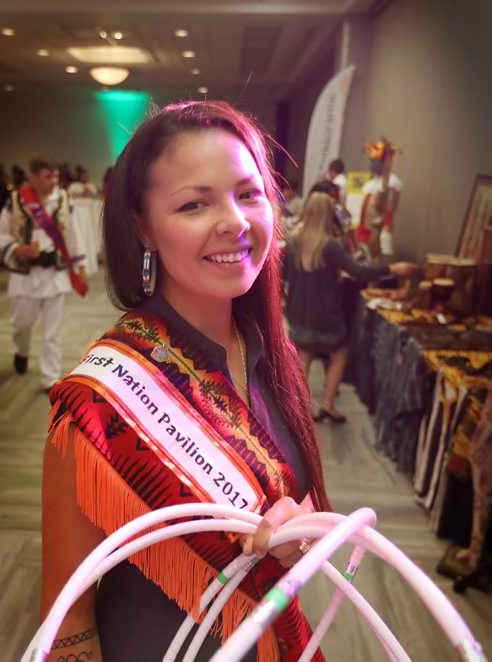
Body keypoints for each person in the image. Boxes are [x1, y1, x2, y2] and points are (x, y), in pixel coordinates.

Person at [41, 101, 330, 662]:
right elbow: (66, 619)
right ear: (141, 225)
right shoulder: (98, 401)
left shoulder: (266, 345)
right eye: (194, 204)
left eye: (248, 194)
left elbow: (290, 488)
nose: (235, 221)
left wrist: (303, 524)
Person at [283, 191, 415, 424]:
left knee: (305, 354)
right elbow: (359, 271)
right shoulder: (330, 246)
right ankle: (328, 404)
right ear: (328, 216)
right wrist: (392, 269)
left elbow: (283, 278)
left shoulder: (294, 242)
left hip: (299, 312)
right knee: (340, 352)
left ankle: (298, 409)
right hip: (326, 314)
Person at [0, 156, 88, 391]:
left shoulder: (63, 199)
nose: (53, 181)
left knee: (52, 332)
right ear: (34, 177)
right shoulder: (16, 201)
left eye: (55, 176)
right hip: (25, 275)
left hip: (54, 273)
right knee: (21, 325)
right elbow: (3, 235)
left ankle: (50, 378)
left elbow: (73, 234)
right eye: (48, 176)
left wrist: (81, 266)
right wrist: (18, 248)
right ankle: (21, 350)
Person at [357, 139, 403, 261]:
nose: (370, 164)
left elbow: (389, 208)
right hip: (365, 230)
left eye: (374, 161)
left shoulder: (392, 182)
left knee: (379, 262)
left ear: (383, 163)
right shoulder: (371, 183)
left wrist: (385, 228)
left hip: (379, 231)